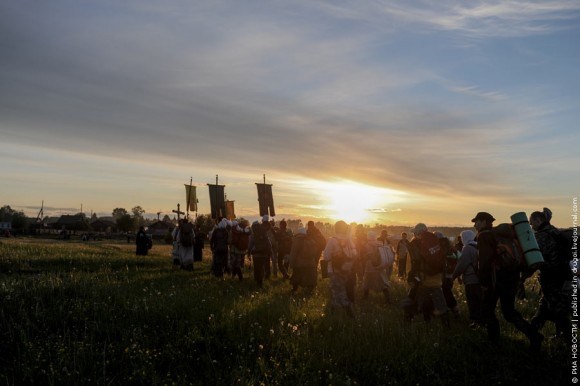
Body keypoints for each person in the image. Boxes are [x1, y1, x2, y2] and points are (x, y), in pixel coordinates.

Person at [473, 211, 543, 350]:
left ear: (485, 222)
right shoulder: (502, 236)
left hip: (495, 280)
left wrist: (483, 283)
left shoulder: (484, 236)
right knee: (509, 312)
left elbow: (485, 262)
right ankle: (533, 335)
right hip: (511, 278)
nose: (475, 225)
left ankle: (493, 342)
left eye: (477, 221)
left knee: (488, 310)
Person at [529, 210, 572, 341]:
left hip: (551, 278)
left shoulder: (541, 236)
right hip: (565, 275)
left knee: (557, 310)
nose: (532, 227)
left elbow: (537, 260)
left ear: (538, 220)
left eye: (532, 223)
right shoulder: (557, 232)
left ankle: (567, 339)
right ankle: (534, 332)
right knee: (547, 306)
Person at [406, 223, 449, 326]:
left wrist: (410, 277)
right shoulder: (435, 241)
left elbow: (415, 263)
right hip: (436, 280)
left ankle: (407, 324)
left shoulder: (417, 244)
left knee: (413, 302)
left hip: (422, 280)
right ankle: (447, 327)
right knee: (441, 306)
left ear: (417, 233)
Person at [323, 220, 357, 317]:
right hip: (347, 269)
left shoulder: (332, 240)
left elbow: (326, 257)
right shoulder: (349, 240)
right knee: (337, 290)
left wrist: (334, 255)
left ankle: (348, 310)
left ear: (336, 228)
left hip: (335, 270)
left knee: (337, 291)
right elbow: (354, 254)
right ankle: (332, 312)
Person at [452, 230, 482, 325]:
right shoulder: (477, 246)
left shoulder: (467, 248)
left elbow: (461, 265)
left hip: (471, 280)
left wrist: (453, 277)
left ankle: (475, 323)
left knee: (472, 303)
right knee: (480, 302)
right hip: (480, 279)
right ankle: (483, 321)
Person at [362, 231, 391, 304]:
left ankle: (365, 297)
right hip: (379, 265)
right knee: (382, 282)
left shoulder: (367, 245)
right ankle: (387, 299)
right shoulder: (380, 244)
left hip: (370, 266)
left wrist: (365, 256)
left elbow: (368, 256)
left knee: (367, 282)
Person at [289, 227, 318, 295]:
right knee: (309, 278)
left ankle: (294, 290)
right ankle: (309, 291)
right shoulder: (311, 240)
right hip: (310, 263)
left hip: (299, 263)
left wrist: (291, 263)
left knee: (296, 277)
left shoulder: (297, 240)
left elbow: (294, 252)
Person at [437, 233, 459, 317]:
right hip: (450, 275)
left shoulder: (440, 248)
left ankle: (450, 310)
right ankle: (453, 310)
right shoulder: (450, 247)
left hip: (443, 275)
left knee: (445, 293)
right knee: (447, 292)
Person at [248, 219, 274, 288]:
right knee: (262, 267)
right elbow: (269, 243)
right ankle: (261, 282)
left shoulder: (253, 235)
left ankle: (257, 280)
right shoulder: (263, 233)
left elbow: (250, 244)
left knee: (256, 267)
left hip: (256, 254)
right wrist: (270, 252)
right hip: (263, 254)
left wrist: (248, 253)